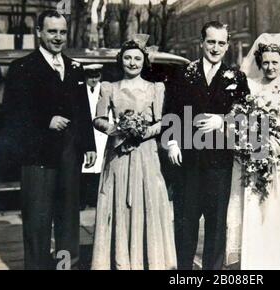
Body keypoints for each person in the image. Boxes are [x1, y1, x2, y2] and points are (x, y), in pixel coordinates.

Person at [2, 10, 97, 270]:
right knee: (38, 221)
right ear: (39, 33)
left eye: (62, 32)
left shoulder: (75, 67)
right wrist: (46, 121)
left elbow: (82, 110)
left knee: (68, 219)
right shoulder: (22, 68)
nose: (58, 37)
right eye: (52, 31)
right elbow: (11, 114)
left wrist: (88, 145)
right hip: (37, 156)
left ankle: (67, 267)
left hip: (69, 154)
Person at [225, 33, 280, 270]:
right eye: (265, 62)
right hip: (256, 155)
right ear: (259, 62)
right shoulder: (252, 86)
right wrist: (254, 140)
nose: (270, 67)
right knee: (258, 208)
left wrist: (278, 137)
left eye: (275, 62)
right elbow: (242, 119)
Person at [164, 21, 250, 270]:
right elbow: (171, 112)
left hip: (219, 164)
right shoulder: (184, 74)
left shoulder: (237, 78)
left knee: (216, 225)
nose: (215, 47)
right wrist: (171, 143)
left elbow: (247, 122)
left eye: (221, 43)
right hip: (188, 162)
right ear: (201, 43)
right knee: (185, 223)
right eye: (211, 41)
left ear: (227, 45)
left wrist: (221, 121)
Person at [91, 38, 176, 270]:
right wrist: (117, 130)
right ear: (121, 60)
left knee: (146, 199)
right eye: (128, 57)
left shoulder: (155, 88)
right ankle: (118, 260)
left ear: (144, 61)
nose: (132, 62)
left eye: (137, 58)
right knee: (117, 200)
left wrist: (142, 132)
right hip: (118, 154)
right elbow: (98, 119)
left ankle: (147, 260)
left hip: (145, 153)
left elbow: (161, 122)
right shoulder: (109, 87)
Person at [81, 64, 108, 209]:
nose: (93, 79)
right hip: (86, 131)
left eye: (96, 76)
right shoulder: (79, 89)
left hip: (101, 132)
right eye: (90, 76)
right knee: (84, 168)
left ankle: (94, 199)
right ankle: (82, 199)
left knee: (99, 168)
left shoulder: (104, 89)